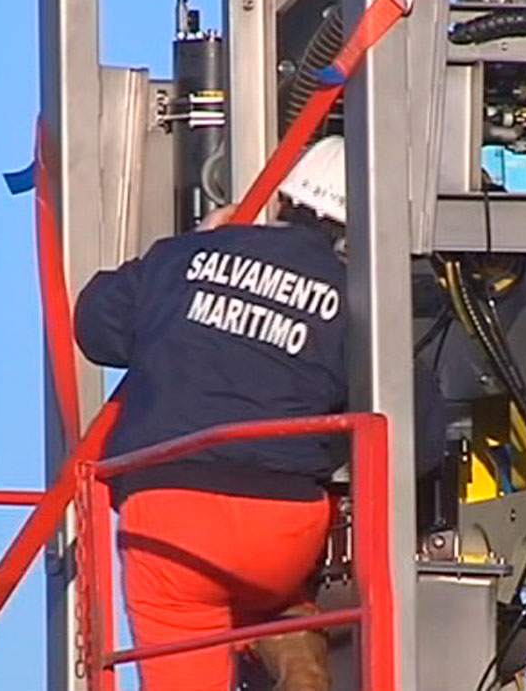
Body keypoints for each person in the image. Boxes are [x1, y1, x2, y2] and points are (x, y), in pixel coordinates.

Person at [74, 136, 444, 691]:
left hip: (169, 517)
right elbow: (421, 438)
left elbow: (94, 324)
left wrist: (196, 251)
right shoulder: (357, 296)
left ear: (281, 201)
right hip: (282, 524)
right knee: (276, 599)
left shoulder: (182, 257)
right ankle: (302, 671)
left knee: (186, 650)